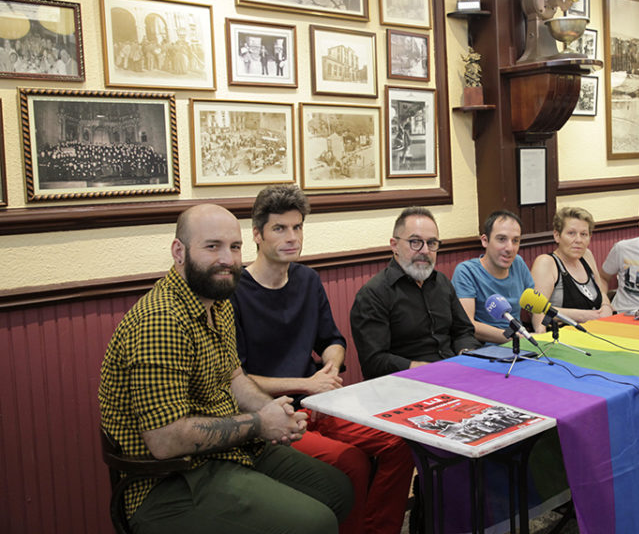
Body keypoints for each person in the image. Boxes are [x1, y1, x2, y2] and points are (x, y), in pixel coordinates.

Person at [98, 203, 352, 534]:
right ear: (179, 252)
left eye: (234, 247)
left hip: (228, 453)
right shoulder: (161, 321)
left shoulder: (218, 304)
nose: (228, 259)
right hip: (168, 482)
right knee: (316, 522)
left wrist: (273, 411)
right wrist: (260, 423)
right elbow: (165, 441)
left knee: (338, 489)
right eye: (212, 246)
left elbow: (233, 377)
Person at [232, 185, 414, 534]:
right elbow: (239, 377)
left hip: (320, 403)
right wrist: (307, 383)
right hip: (271, 414)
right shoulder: (236, 290)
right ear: (257, 234)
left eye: (297, 227)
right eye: (279, 228)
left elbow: (332, 340)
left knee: (399, 443)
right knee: (353, 463)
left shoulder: (307, 279)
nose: (292, 237)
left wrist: (331, 366)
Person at [351, 206, 481, 379]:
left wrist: (466, 353)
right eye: (415, 242)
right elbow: (374, 361)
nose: (425, 251)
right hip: (406, 383)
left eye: (432, 243)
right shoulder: (373, 294)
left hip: (454, 373)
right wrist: (420, 368)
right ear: (394, 245)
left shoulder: (441, 282)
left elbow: (463, 331)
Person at [452, 210, 537, 340]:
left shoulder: (518, 263)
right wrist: (517, 338)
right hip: (486, 346)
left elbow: (535, 307)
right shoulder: (466, 271)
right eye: (502, 239)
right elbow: (468, 325)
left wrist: (541, 333)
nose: (510, 248)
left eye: (515, 240)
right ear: (485, 241)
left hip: (520, 341)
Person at [530, 207, 614, 325]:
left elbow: (601, 292)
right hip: (563, 332)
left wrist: (606, 306)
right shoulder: (546, 263)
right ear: (557, 236)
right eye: (571, 233)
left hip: (598, 328)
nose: (578, 240)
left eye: (584, 234)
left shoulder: (586, 255)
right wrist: (584, 316)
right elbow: (537, 312)